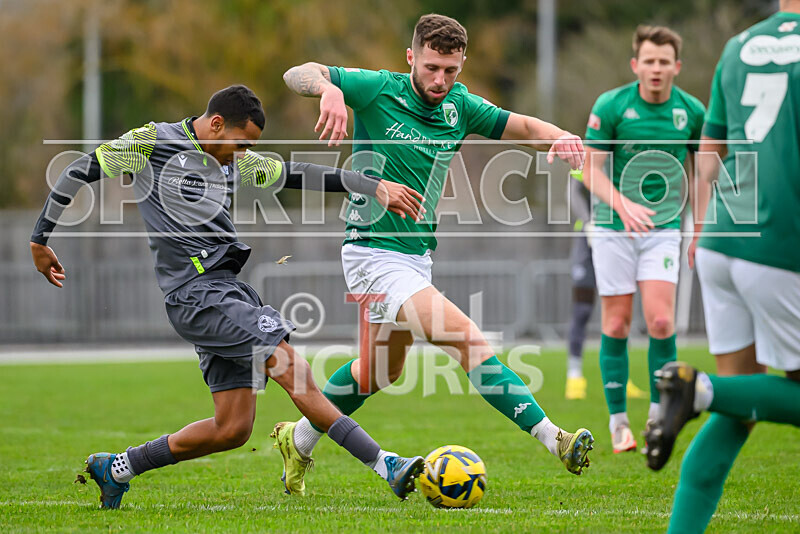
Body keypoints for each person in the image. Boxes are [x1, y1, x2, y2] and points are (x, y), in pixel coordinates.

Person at [29, 85, 428, 507]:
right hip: (196, 295)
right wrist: (40, 240)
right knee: (291, 367)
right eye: (241, 143)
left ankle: (117, 468)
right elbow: (78, 170)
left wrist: (371, 185)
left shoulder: (233, 157)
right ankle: (386, 464)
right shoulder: (152, 142)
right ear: (216, 123)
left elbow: (296, 172)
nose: (243, 154)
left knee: (232, 429)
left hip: (226, 292)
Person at [274, 13, 594, 495]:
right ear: (411, 58)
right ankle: (555, 439)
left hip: (415, 256)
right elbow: (297, 72)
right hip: (371, 253)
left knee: (378, 371)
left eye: (450, 70)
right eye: (430, 68)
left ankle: (296, 439)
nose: (440, 80)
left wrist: (560, 136)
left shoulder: (459, 106)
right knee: (464, 337)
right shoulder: (377, 89)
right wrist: (329, 89)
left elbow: (521, 124)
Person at [644, 2, 800, 531]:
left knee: (740, 412)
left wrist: (704, 226)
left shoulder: (739, 47)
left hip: (723, 239)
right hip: (782, 245)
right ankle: (700, 390)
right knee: (740, 396)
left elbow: (709, 152)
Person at [581, 25, 705, 453]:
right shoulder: (612, 105)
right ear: (636, 65)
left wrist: (700, 228)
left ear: (676, 67)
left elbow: (704, 172)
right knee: (615, 323)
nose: (656, 69)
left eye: (663, 62)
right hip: (614, 228)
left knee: (661, 322)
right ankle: (618, 422)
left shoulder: (691, 111)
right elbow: (590, 170)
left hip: (665, 229)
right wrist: (621, 205)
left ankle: (657, 417)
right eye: (648, 61)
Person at [564, 170, 648, 402]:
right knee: (582, 310)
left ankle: (623, 377)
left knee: (620, 310)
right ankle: (574, 376)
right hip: (587, 240)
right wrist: (589, 223)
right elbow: (573, 193)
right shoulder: (585, 154)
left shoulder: (624, 154)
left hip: (616, 236)